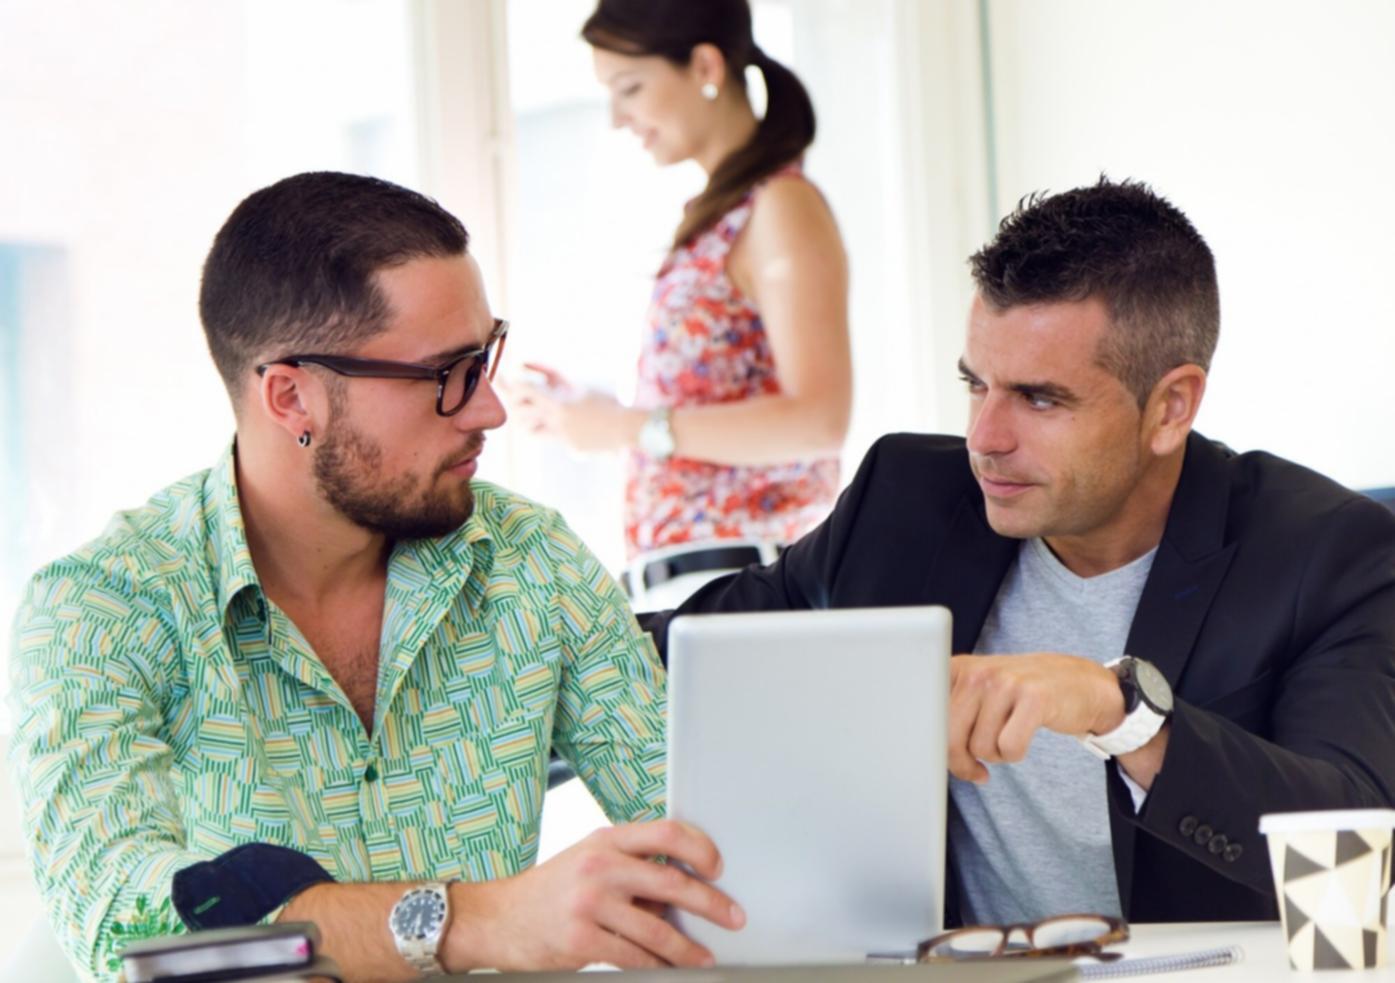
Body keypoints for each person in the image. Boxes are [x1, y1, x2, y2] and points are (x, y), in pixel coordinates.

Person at [7, 172, 745, 982]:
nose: (489, 408)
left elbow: (712, 845)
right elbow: (123, 918)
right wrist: (473, 920)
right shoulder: (103, 605)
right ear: (292, 398)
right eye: (446, 375)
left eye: (485, 356)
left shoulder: (531, 559)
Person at [645, 178, 1395, 925]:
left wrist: (1121, 711)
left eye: (1040, 398)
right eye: (976, 385)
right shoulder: (902, 500)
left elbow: (1356, 853)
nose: (985, 438)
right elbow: (690, 651)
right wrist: (539, 591)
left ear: (1170, 407)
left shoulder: (1327, 554)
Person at [510, 0, 851, 609]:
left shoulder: (780, 207)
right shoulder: (725, 212)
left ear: (704, 66)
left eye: (631, 88)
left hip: (744, 583)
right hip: (704, 586)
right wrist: (595, 416)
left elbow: (819, 419)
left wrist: (622, 426)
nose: (619, 118)